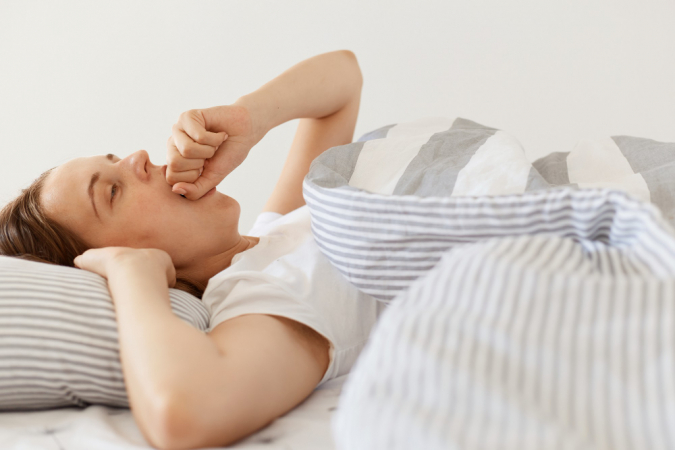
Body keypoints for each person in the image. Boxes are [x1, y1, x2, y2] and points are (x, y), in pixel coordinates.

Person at [0, 50, 385, 449]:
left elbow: (344, 77)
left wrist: (249, 118)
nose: (140, 157)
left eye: (118, 159)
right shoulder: (264, 293)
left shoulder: (275, 229)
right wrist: (134, 275)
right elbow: (185, 415)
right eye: (113, 191)